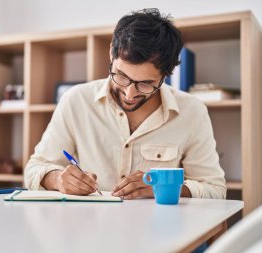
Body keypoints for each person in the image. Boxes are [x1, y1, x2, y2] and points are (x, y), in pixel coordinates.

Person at [24, 8, 226, 200]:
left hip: (158, 231)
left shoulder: (192, 111)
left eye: (146, 83)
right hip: (90, 229)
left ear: (166, 75)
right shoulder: (75, 100)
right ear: (111, 54)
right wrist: (58, 179)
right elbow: (34, 169)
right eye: (121, 76)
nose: (130, 93)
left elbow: (215, 190)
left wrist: (164, 188)